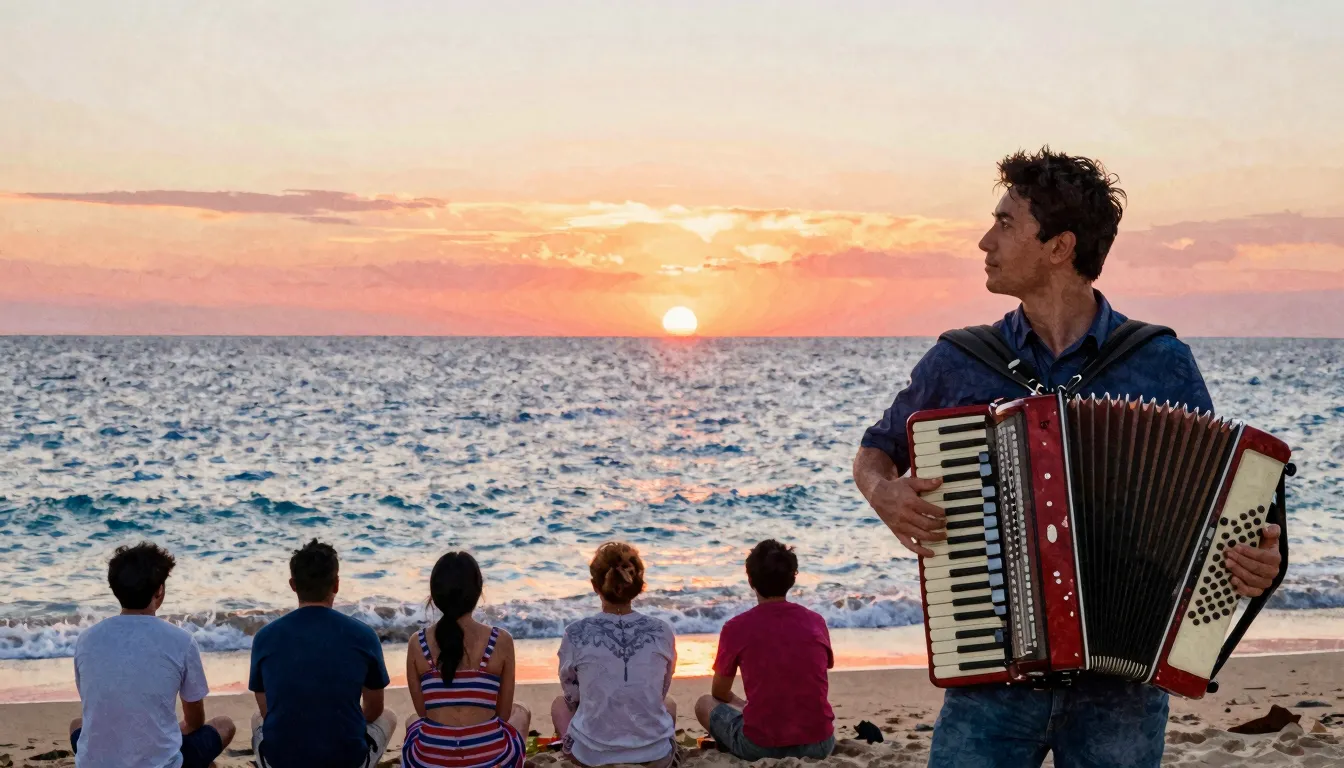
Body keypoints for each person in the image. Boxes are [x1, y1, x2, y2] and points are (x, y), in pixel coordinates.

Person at [852, 147, 1285, 768]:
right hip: (991, 675)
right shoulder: (960, 360)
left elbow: (1216, 506)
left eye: (1005, 224)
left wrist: (1254, 562)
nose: (984, 241)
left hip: (1123, 692)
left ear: (1059, 247)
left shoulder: (1160, 361)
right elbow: (877, 449)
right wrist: (882, 492)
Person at [69, 541, 236, 768]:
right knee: (224, 725)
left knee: (77, 725)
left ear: (115, 589)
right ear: (159, 590)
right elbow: (195, 721)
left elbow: (95, 706)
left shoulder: (86, 639)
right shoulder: (181, 640)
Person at [248, 539, 397, 768]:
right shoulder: (364, 635)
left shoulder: (264, 637)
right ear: (336, 585)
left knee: (257, 719)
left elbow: (267, 710)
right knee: (389, 716)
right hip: (347, 762)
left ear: (293, 585)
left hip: (281, 762)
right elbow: (375, 708)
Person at [694, 540, 835, 762]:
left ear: (751, 580)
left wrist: (742, 706)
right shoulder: (816, 621)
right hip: (820, 744)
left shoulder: (736, 627)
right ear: (792, 579)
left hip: (760, 746)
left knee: (704, 703)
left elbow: (719, 692)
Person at [552, 542, 679, 768]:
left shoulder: (575, 633)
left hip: (591, 758)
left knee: (559, 705)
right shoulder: (662, 631)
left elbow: (571, 693)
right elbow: (661, 691)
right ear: (638, 585)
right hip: (656, 756)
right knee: (669, 704)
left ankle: (575, 749)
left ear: (595, 586)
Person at [402, 551, 531, 768]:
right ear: (478, 591)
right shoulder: (501, 641)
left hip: (428, 762)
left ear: (434, 594)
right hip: (491, 761)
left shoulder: (417, 643)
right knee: (522, 711)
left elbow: (424, 713)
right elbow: (503, 714)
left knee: (412, 721)